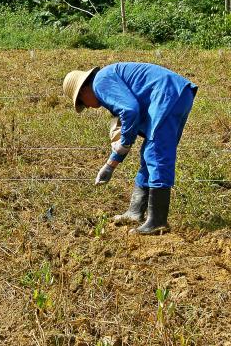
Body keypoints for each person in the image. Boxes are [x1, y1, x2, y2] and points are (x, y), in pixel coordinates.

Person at [63, 63, 198, 235]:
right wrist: (111, 164)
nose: (87, 107)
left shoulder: (99, 83)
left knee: (156, 153)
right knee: (149, 153)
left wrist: (124, 143)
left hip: (168, 94)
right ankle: (135, 213)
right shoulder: (106, 78)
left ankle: (157, 222)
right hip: (177, 94)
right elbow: (128, 114)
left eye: (82, 103)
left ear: (82, 91)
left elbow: (129, 110)